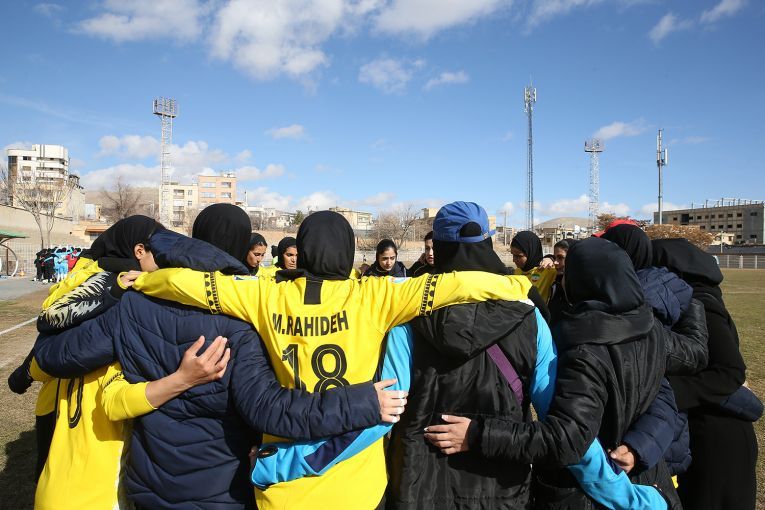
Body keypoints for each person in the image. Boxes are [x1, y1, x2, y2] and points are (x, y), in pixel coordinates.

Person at [127, 208, 537, 509]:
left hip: (283, 482)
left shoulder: (264, 294)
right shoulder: (374, 295)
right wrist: (516, 286)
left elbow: (196, 285)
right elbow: (455, 285)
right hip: (355, 482)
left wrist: (146, 279)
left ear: (302, 250)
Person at [33, 205, 405, 510]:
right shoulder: (242, 317)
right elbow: (268, 408)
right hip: (223, 486)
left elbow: (54, 357)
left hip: (151, 483)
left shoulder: (135, 302)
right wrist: (361, 403)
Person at [426, 237, 709, 509]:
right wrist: (639, 447)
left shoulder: (585, 348)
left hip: (584, 493)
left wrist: (478, 434)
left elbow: (567, 438)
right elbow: (664, 398)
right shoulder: (652, 330)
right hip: (645, 480)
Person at [653, 238, 759, 510]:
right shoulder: (689, 298)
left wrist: (666, 392)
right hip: (701, 428)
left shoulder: (701, 302)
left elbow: (729, 372)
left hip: (718, 436)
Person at [511, 231, 557, 301]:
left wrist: (552, 258)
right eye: (513, 255)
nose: (514, 260)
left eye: (519, 256)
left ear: (532, 252)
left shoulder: (548, 271)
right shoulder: (517, 272)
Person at [548, 238, 576, 325]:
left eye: (560, 258)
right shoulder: (555, 281)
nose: (555, 262)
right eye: (554, 258)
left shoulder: (580, 288)